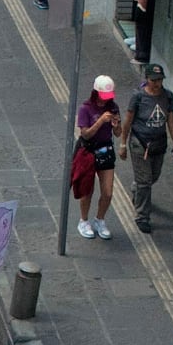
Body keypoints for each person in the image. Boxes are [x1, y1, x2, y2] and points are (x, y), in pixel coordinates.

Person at [124, 64, 173, 235]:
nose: (157, 83)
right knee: (145, 181)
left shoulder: (168, 96)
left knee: (153, 176)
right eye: (153, 80)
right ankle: (142, 217)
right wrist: (123, 144)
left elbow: (171, 120)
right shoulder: (138, 97)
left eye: (159, 80)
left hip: (159, 144)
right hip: (140, 143)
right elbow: (128, 120)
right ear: (147, 79)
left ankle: (137, 189)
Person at [70, 76, 121, 239]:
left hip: (106, 152)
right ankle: (83, 220)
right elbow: (85, 134)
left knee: (107, 191)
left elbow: (118, 133)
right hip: (89, 152)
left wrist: (116, 125)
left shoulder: (113, 107)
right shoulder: (85, 109)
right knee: (87, 190)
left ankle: (100, 219)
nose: (105, 100)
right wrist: (100, 121)